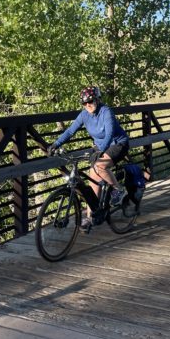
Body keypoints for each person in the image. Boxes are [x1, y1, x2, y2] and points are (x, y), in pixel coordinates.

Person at [48, 86, 129, 231]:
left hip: (118, 144)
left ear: (97, 99)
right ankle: (91, 215)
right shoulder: (84, 115)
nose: (87, 105)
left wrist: (102, 150)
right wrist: (56, 144)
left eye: (90, 101)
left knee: (100, 166)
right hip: (101, 146)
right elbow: (70, 131)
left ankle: (119, 190)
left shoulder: (106, 111)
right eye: (84, 103)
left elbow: (110, 133)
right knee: (92, 176)